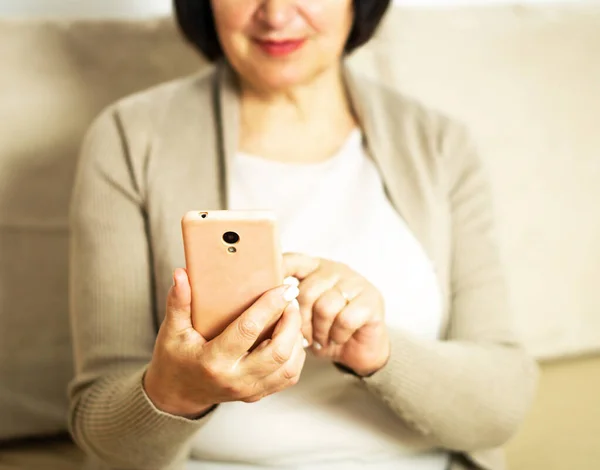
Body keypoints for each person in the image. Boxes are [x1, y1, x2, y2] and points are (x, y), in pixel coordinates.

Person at [68, 1, 538, 469]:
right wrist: (176, 391)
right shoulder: (130, 137)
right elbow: (103, 435)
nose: (274, 15)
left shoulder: (440, 144)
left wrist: (378, 351)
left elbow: (501, 408)